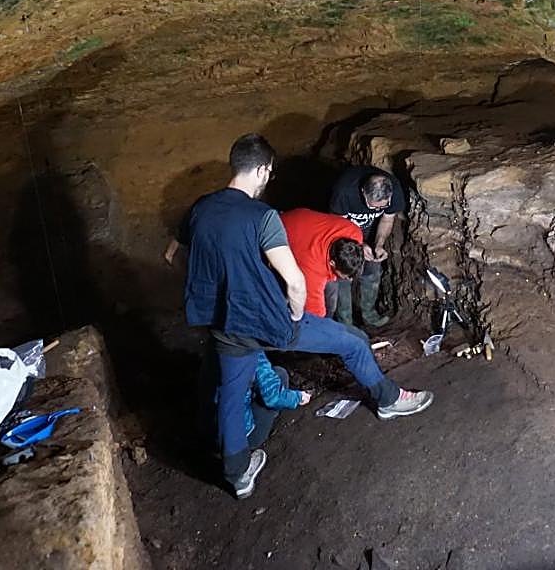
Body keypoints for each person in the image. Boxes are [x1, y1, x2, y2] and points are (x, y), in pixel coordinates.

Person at [179, 134, 434, 499]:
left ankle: (238, 475)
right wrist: (295, 316)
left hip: (224, 324)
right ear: (264, 170)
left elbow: (178, 252)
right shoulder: (263, 216)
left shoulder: (201, 208)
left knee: (233, 398)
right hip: (270, 320)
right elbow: (295, 280)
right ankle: (389, 400)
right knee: (351, 343)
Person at [329, 165, 406, 327]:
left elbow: (387, 219)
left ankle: (369, 314)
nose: (378, 210)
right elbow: (337, 226)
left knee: (373, 269)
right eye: (373, 207)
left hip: (371, 230)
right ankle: (345, 322)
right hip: (341, 231)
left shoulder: (394, 190)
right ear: (363, 192)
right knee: (344, 274)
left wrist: (379, 244)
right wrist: (359, 245)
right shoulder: (344, 192)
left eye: (381, 207)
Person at [280, 207, 365, 319]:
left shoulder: (354, 233)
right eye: (346, 276)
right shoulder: (312, 271)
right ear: (332, 263)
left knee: (331, 293)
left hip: (306, 222)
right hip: (282, 229)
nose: (350, 279)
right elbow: (314, 312)